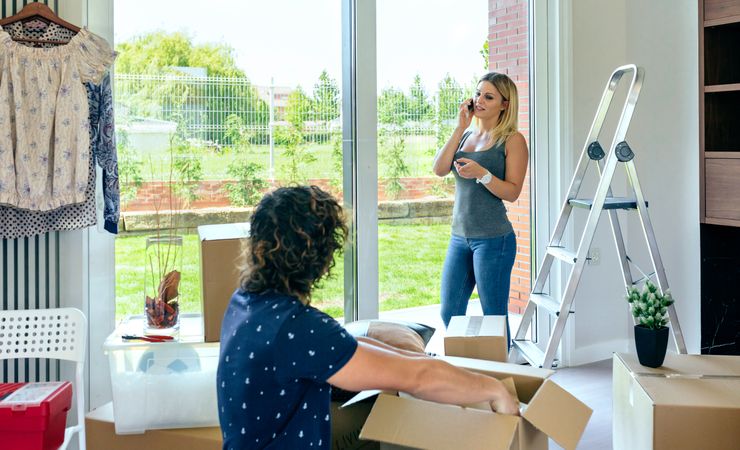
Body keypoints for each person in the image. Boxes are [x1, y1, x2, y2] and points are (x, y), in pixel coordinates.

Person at [216, 185, 519, 450]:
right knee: (401, 411)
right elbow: (417, 378)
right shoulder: (298, 328)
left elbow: (355, 349)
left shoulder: (246, 302)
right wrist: (494, 389)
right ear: (322, 257)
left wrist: (416, 359)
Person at [432, 72, 529, 340]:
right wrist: (460, 127)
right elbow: (439, 169)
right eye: (477, 94)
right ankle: (469, 370)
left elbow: (512, 192)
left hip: (494, 240)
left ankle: (501, 376)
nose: (480, 100)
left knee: (494, 317)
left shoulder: (513, 140)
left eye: (489, 96)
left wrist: (482, 174)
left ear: (505, 104)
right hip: (459, 237)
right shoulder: (465, 137)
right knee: (449, 312)